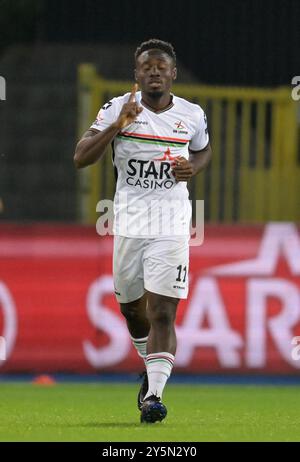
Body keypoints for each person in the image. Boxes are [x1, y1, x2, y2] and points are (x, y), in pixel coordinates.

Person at [74, 38, 212, 423]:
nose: (154, 71)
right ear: (137, 74)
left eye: (160, 66)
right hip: (130, 224)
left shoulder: (192, 115)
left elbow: (203, 150)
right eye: (146, 66)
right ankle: (149, 366)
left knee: (163, 312)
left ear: (173, 74)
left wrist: (193, 168)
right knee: (133, 311)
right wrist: (118, 126)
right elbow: (80, 157)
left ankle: (153, 395)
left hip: (171, 223)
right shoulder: (118, 108)